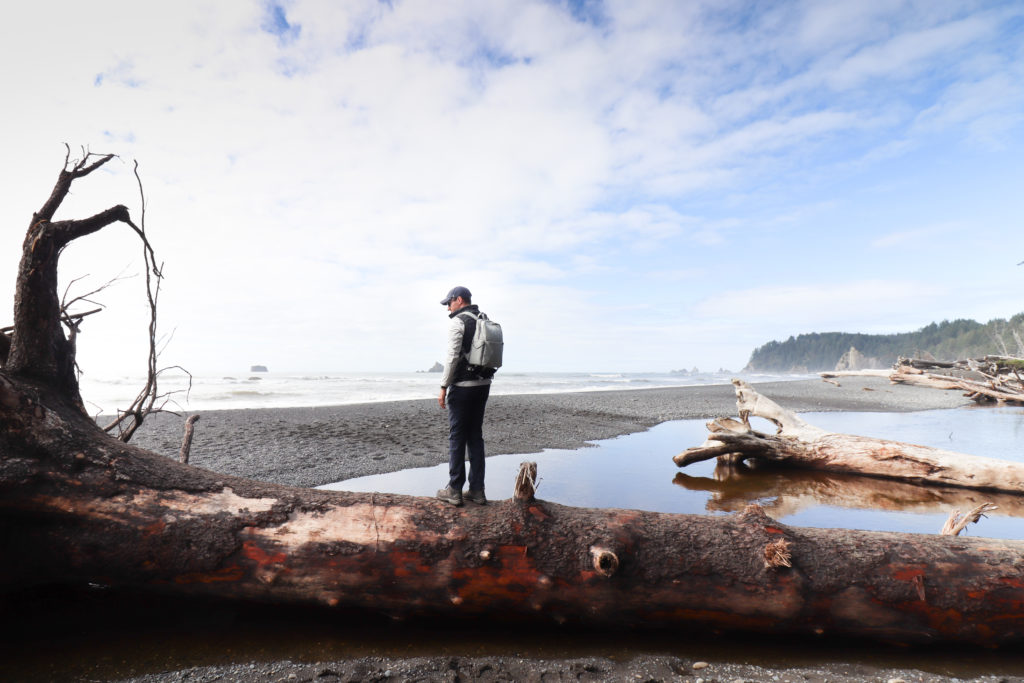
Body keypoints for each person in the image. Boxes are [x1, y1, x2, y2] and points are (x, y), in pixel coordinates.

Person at [436, 286, 492, 506]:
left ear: (459, 300)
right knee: (475, 436)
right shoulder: (484, 318)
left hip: (462, 386)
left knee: (457, 436)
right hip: (483, 384)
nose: (448, 307)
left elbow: (452, 357)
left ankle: (454, 490)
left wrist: (443, 386)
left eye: (449, 303)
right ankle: (477, 490)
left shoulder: (458, 322)